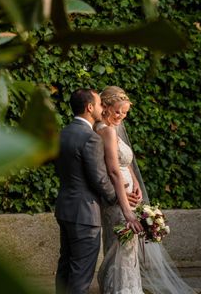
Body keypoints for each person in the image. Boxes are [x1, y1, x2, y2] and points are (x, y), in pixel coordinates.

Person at [96, 86, 196, 294]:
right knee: (120, 245)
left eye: (124, 113)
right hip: (118, 199)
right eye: (117, 111)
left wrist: (137, 185)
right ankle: (119, 290)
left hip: (131, 195)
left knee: (129, 246)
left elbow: (127, 163)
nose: (121, 116)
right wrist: (124, 197)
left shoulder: (115, 130)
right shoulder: (103, 130)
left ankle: (131, 289)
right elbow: (112, 169)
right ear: (104, 106)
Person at [54, 89, 141, 294]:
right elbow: (101, 177)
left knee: (65, 266)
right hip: (85, 212)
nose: (102, 108)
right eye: (100, 104)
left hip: (65, 207)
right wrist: (118, 200)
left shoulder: (62, 133)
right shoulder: (90, 137)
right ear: (90, 107)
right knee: (81, 273)